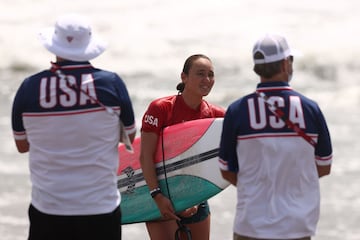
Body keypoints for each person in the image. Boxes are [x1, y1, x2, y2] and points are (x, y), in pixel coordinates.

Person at [11, 14, 136, 240]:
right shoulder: (112, 84)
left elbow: (22, 145)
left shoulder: (29, 88)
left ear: (55, 45)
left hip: (48, 208)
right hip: (100, 208)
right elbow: (129, 135)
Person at [218, 33, 333, 240]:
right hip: (297, 226)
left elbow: (227, 171)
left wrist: (258, 185)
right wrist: (291, 181)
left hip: (250, 225)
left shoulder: (236, 111)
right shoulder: (310, 109)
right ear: (284, 64)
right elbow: (324, 166)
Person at [139, 54, 225, 240]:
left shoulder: (214, 116)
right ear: (183, 77)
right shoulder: (161, 109)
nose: (207, 79)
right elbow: (145, 156)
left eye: (211, 74)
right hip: (159, 199)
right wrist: (157, 195)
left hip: (196, 199)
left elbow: (245, 134)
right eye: (200, 73)